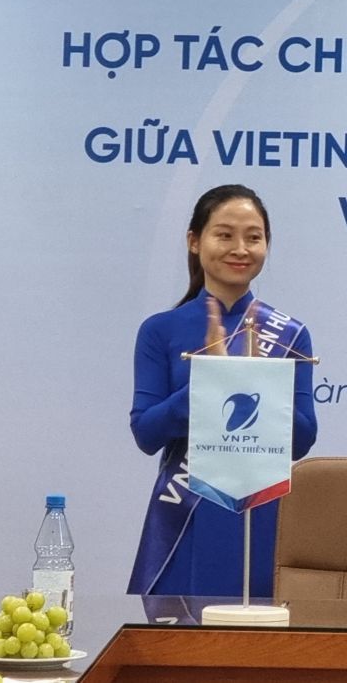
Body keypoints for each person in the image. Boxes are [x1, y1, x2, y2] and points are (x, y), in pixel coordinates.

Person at [127, 185, 318, 597]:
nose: (240, 249)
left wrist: (254, 380)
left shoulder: (290, 334)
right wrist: (212, 378)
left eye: (254, 237)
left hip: (262, 511)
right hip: (186, 513)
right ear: (195, 241)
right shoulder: (160, 330)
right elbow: (146, 433)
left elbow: (302, 439)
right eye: (225, 235)